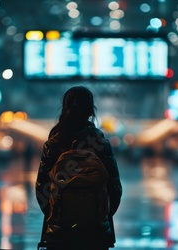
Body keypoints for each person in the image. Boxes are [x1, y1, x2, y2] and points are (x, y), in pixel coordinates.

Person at [36, 86, 122, 250]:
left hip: (59, 233)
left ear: (65, 108)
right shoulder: (101, 144)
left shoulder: (53, 145)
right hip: (96, 232)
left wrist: (56, 216)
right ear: (91, 112)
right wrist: (101, 215)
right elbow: (115, 188)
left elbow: (42, 191)